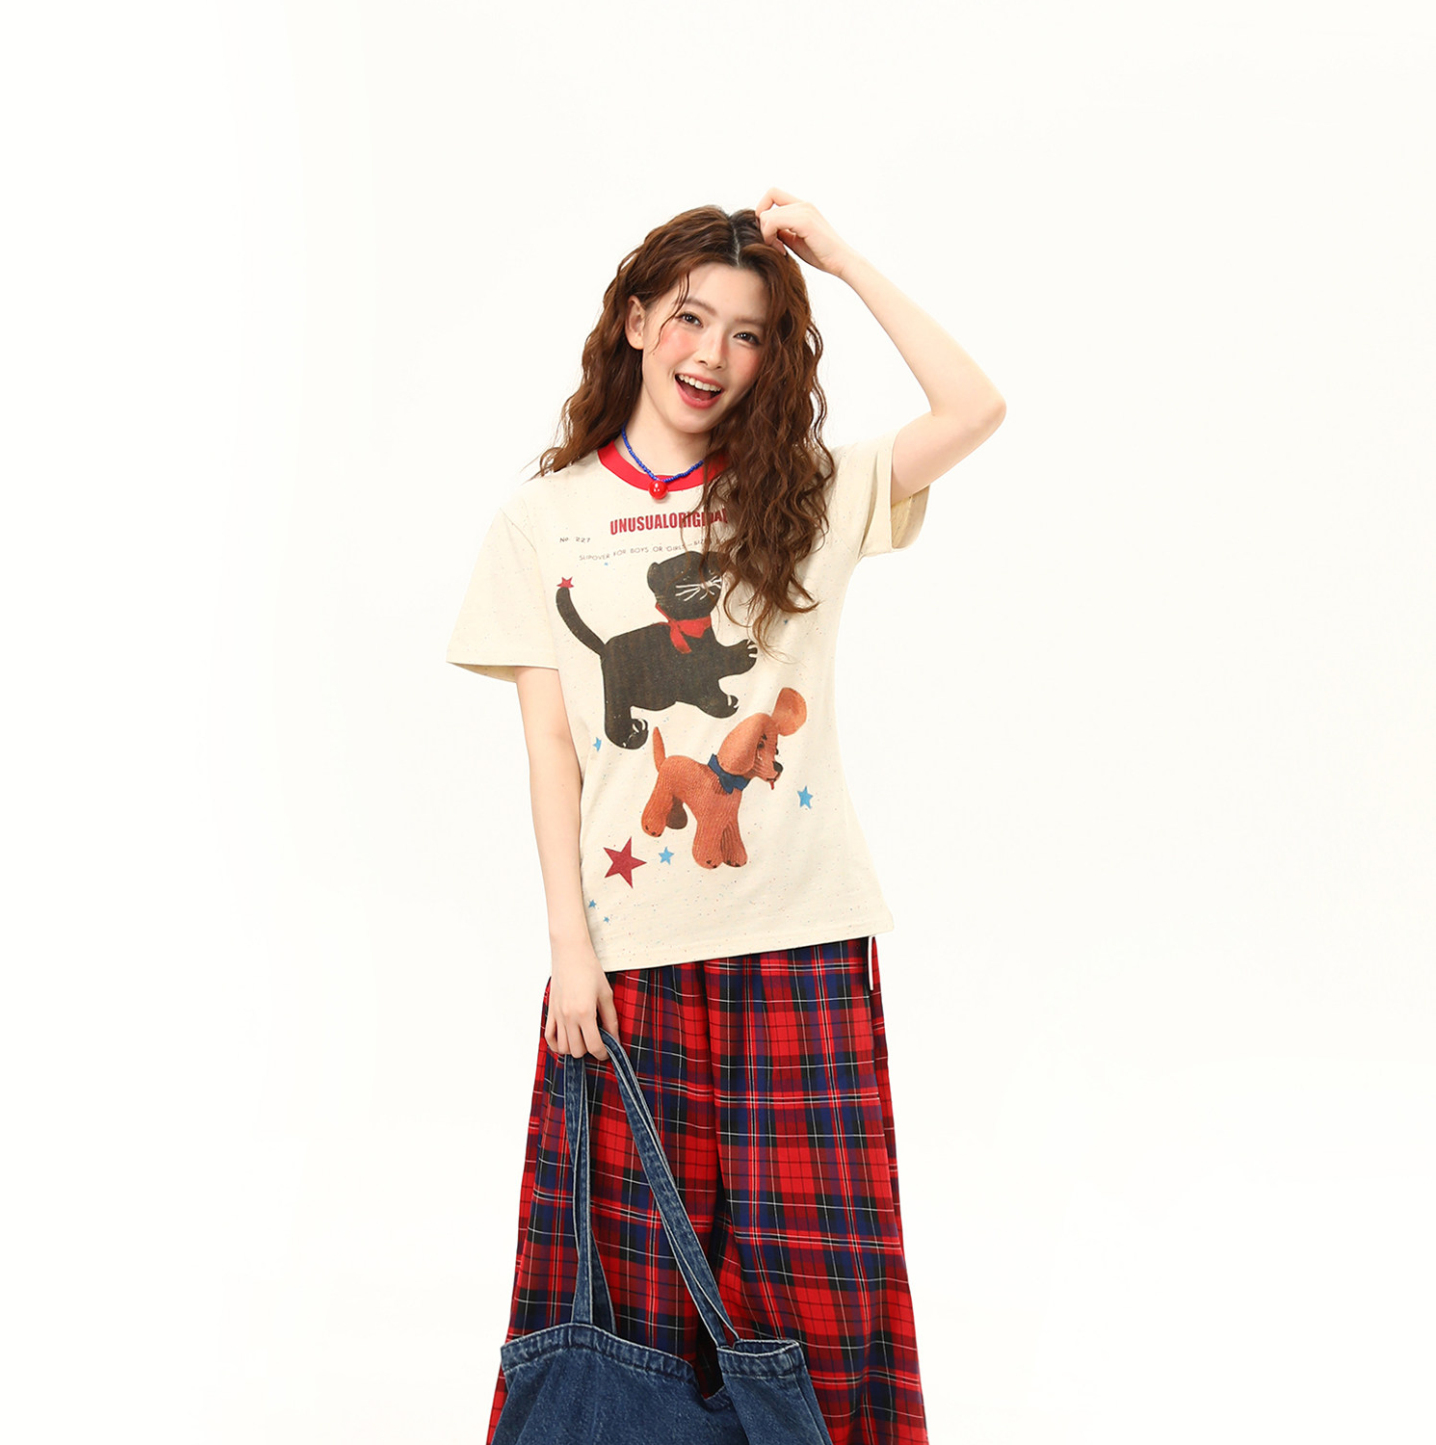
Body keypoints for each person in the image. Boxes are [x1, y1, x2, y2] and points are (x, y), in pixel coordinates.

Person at [446, 186, 1005, 1445]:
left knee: (820, 1289)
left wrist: (840, 257)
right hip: (625, 962)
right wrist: (568, 947)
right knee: (629, 1304)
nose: (711, 353)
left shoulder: (804, 493)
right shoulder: (542, 520)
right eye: (691, 318)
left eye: (748, 333)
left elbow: (973, 407)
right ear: (637, 321)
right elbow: (550, 746)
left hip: (798, 937)